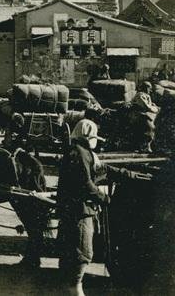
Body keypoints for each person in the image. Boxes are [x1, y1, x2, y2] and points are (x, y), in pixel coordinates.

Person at [57, 119, 148, 295]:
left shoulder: (79, 152)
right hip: (80, 210)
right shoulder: (80, 153)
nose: (96, 141)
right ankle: (74, 289)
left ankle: (71, 286)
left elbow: (102, 168)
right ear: (87, 136)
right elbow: (86, 184)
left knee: (74, 248)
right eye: (94, 137)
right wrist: (105, 198)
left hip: (76, 208)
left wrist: (128, 175)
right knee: (83, 251)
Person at [131, 81, 159, 152]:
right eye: (149, 88)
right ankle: (145, 147)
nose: (150, 90)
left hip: (145, 115)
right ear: (145, 87)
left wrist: (155, 107)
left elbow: (151, 105)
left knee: (153, 127)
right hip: (139, 115)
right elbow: (146, 106)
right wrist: (156, 109)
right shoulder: (140, 95)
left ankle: (148, 146)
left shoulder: (147, 96)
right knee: (150, 128)